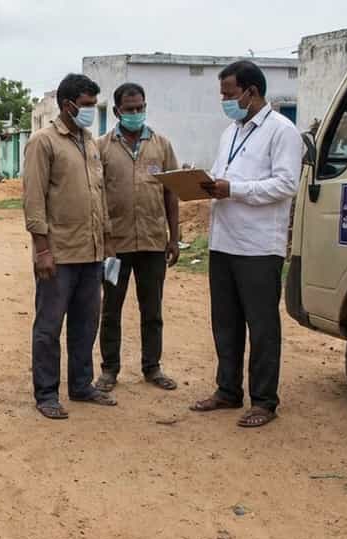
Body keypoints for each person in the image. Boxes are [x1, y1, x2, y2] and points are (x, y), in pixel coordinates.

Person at [190, 60, 302, 427]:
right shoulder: (231, 132)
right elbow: (224, 175)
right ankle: (227, 390)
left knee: (262, 326)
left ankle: (264, 401)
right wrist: (205, 183)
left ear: (251, 91)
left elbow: (286, 184)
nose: (224, 101)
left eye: (229, 94)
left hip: (258, 247)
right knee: (226, 323)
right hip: (224, 242)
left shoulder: (282, 131)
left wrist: (233, 189)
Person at [22, 73, 116, 419]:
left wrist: (106, 242)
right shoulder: (43, 142)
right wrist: (43, 250)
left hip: (91, 253)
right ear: (68, 105)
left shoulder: (89, 142)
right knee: (49, 327)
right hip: (59, 254)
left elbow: (99, 195)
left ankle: (81, 385)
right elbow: (34, 200)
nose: (91, 110)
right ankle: (47, 393)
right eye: (87, 104)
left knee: (85, 325)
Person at [95, 82, 180, 394]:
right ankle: (109, 370)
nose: (136, 113)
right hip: (114, 246)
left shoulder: (162, 145)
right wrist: (102, 241)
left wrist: (174, 237)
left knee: (152, 310)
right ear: (117, 111)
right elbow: (95, 195)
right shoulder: (101, 148)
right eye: (129, 109)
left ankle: (152, 367)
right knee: (110, 309)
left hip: (153, 243)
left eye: (140, 107)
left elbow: (171, 193)